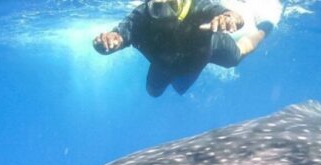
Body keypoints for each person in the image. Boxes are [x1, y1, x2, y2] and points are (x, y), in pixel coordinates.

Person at [93, 0, 250, 97]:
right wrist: (105, 43)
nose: (167, 15)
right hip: (165, 67)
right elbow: (119, 35)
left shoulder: (198, 5)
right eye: (159, 8)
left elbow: (230, 15)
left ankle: (265, 26)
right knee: (154, 92)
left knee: (237, 56)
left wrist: (230, 18)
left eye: (172, 6)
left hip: (206, 51)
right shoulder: (140, 17)